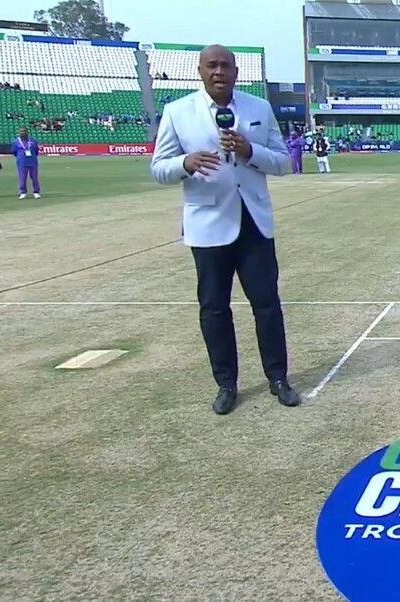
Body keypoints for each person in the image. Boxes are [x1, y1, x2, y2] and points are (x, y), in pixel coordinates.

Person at [148, 44, 300, 415]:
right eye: (211, 66)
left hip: (254, 223)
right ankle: (226, 384)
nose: (219, 72)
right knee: (214, 308)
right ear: (200, 71)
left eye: (225, 66)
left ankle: (278, 378)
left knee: (267, 304)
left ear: (236, 71)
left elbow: (283, 163)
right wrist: (185, 163)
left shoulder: (258, 108)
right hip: (207, 224)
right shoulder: (178, 112)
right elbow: (159, 168)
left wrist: (250, 151)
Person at [10, 127, 41, 199]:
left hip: (32, 161)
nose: (22, 132)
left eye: (24, 131)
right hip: (22, 162)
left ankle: (36, 192)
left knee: (34, 177)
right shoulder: (15, 142)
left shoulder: (33, 140)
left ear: (27, 132)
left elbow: (36, 151)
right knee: (22, 177)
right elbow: (14, 151)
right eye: (21, 131)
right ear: (19, 132)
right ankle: (23, 192)